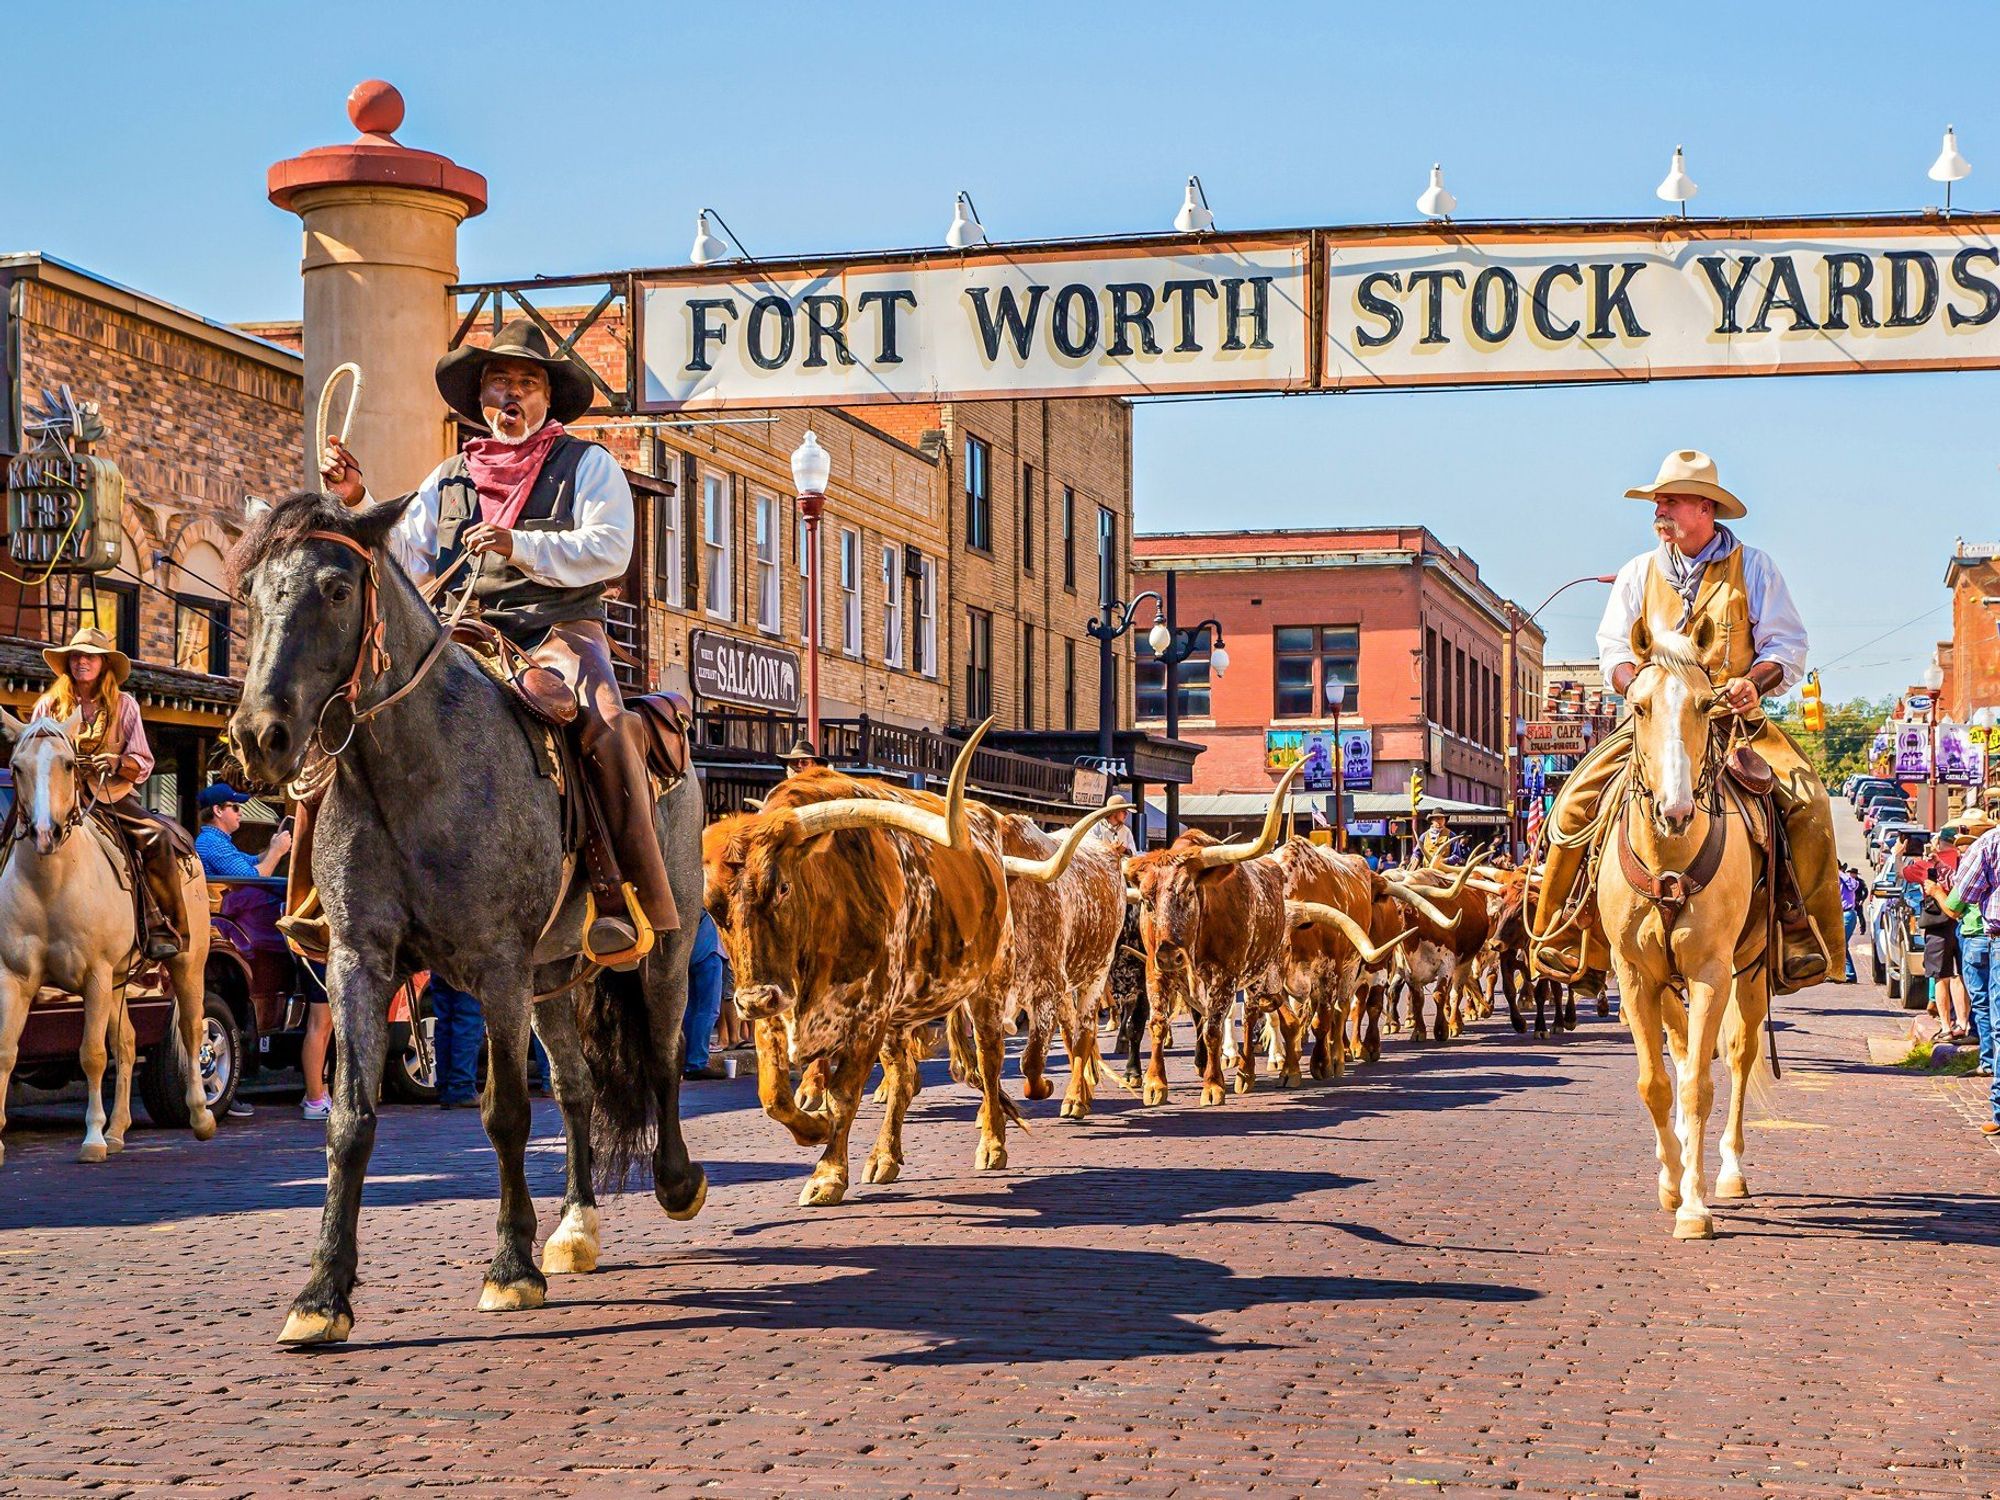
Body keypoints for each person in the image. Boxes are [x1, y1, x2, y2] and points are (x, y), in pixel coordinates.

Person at [317, 318, 676, 961]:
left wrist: (522, 544)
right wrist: (356, 500)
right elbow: (403, 558)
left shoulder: (587, 465)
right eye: (498, 384)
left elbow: (610, 549)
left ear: (545, 398)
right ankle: (324, 898)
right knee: (347, 711)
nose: (509, 397)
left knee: (606, 722)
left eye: (525, 384)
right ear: (480, 400)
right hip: (457, 636)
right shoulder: (448, 476)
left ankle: (620, 895)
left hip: (557, 629)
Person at [1530, 449, 1840, 995]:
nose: (1660, 508)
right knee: (1574, 800)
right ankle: (1565, 931)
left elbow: (1786, 646)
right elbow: (1611, 652)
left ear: (1706, 508)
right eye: (1657, 500)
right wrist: (1638, 688)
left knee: (1809, 802)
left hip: (1733, 723)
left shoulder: (1755, 568)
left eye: (1670, 500)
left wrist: (1753, 683)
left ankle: (1800, 933)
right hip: (1653, 725)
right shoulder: (1637, 573)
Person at [29, 628, 193, 962]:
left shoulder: (125, 705)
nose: (81, 662)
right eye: (76, 656)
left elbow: (143, 761)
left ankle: (164, 926)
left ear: (103, 664)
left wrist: (117, 761)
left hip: (111, 797)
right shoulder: (48, 705)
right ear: (67, 664)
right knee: (12, 836)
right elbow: (29, 751)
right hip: (58, 797)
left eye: (89, 656)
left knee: (157, 837)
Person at [1941, 810, 2000, 1120]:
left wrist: (1937, 891)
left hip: (1987, 937)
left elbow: (1959, 900)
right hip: (1986, 938)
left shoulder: (1989, 845)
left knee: (1991, 1011)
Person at [194, 783, 292, 880]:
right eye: (235, 807)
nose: (241, 813)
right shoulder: (213, 843)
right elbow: (252, 880)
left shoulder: (213, 839)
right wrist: (276, 851)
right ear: (218, 810)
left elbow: (252, 861)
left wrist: (274, 846)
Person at [682, 912, 730, 1080]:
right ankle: (696, 1062)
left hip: (689, 956)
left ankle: (687, 1060)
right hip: (709, 953)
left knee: (691, 1009)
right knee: (708, 1011)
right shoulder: (709, 909)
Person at [1837, 863, 1864, 984]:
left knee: (1841, 944)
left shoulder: (1844, 878)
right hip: (1839, 915)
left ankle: (1849, 974)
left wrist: (1839, 872)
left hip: (1847, 914)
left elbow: (1854, 885)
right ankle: (1846, 973)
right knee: (1840, 945)